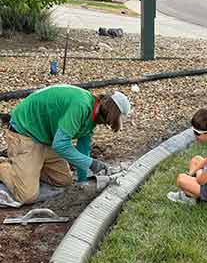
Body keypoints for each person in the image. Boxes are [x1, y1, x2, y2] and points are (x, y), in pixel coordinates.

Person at [0, 84, 131, 204]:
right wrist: (91, 163)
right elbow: (60, 145)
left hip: (45, 139)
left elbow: (83, 147)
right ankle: (5, 167)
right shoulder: (81, 106)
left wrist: (82, 181)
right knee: (27, 195)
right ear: (111, 112)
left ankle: (30, 169)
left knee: (64, 181)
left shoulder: (93, 114)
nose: (108, 124)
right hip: (25, 132)